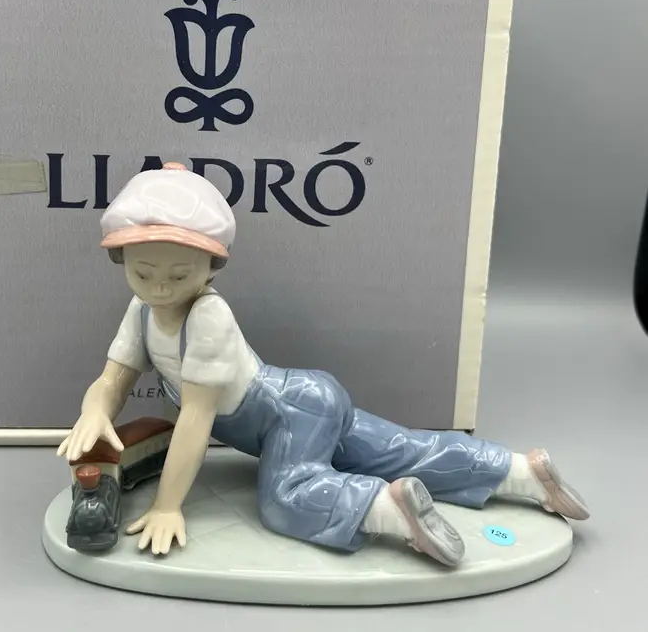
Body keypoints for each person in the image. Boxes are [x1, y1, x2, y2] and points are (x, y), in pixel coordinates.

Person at [58, 162, 589, 565]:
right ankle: (524, 473)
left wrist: (168, 505)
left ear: (213, 265)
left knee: (284, 499)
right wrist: (95, 411)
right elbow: (112, 379)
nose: (160, 287)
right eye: (143, 273)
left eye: (179, 274)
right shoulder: (142, 312)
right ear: (122, 262)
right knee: (401, 448)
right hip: (310, 400)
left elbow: (196, 420)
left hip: (290, 413)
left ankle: (388, 508)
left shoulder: (207, 316)